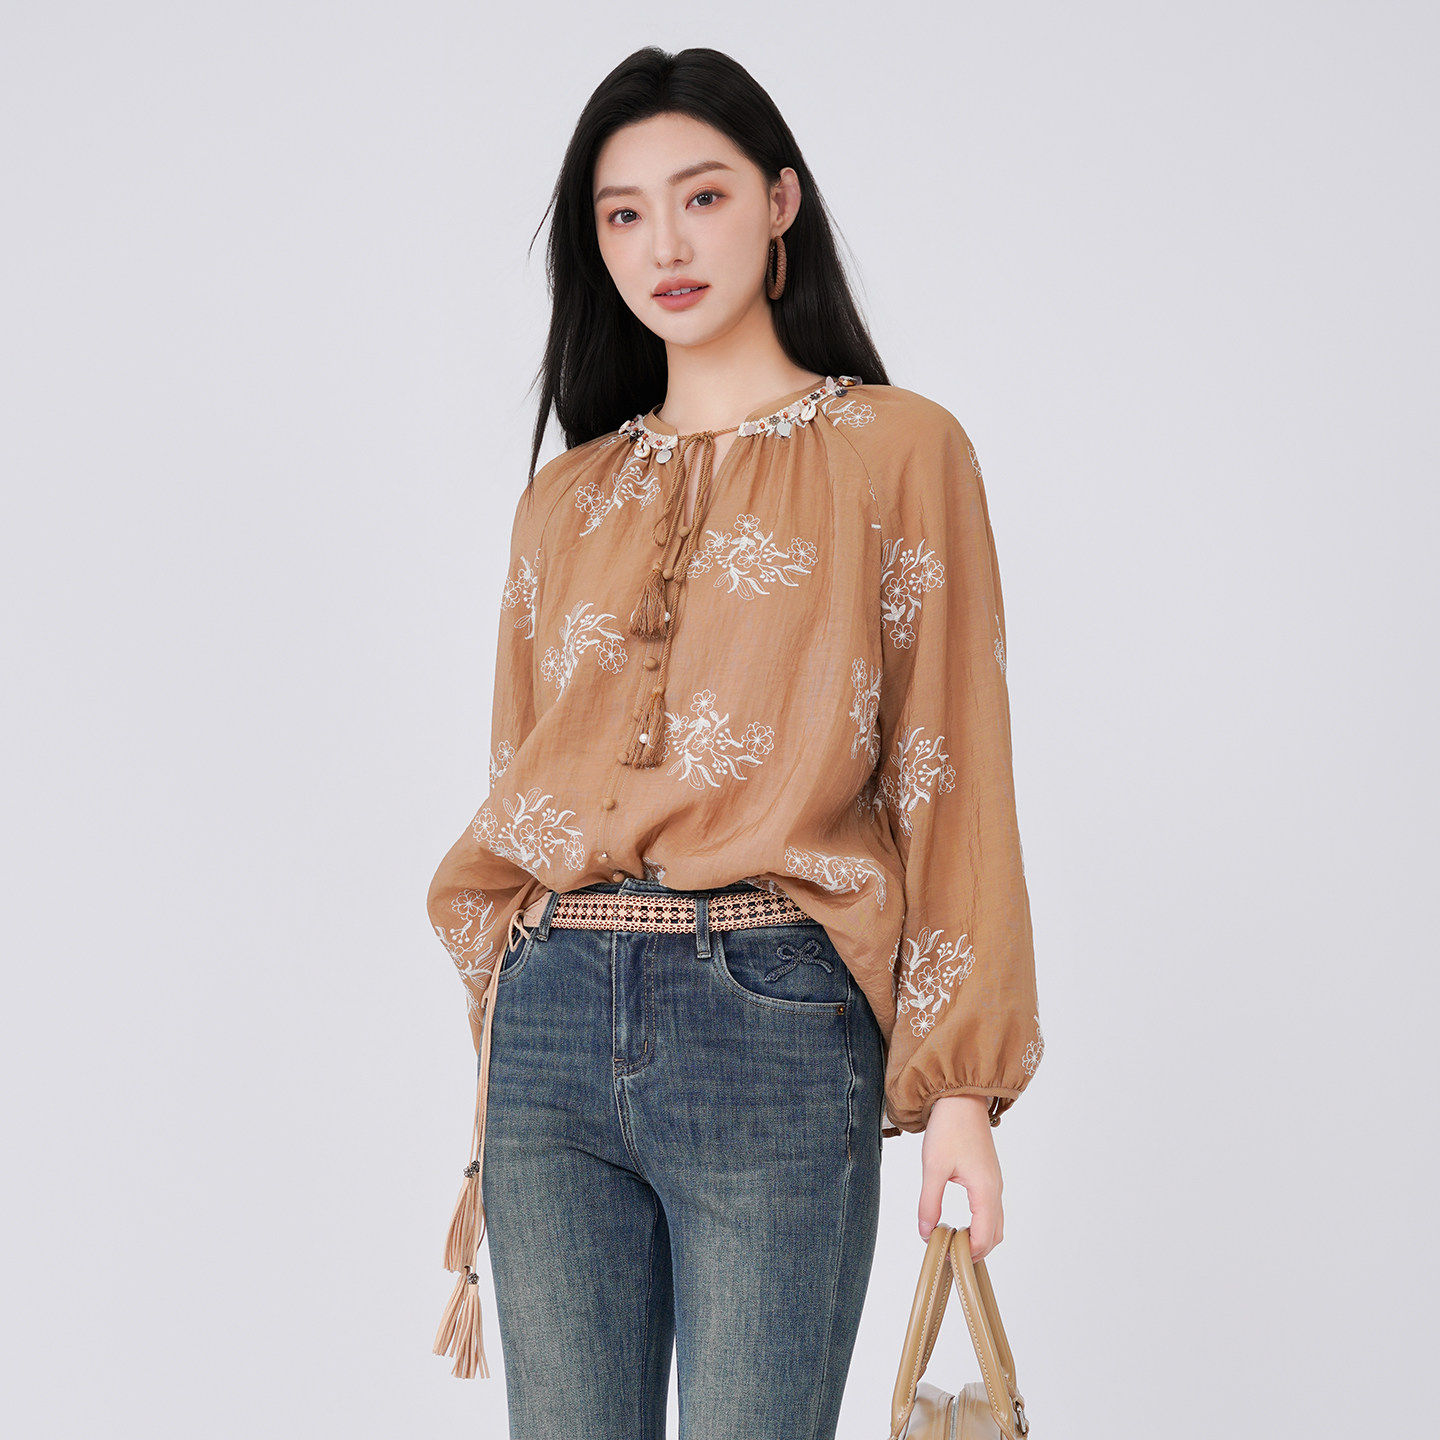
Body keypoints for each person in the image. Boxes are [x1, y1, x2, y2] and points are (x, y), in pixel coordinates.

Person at [424, 44, 1044, 1438]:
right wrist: (495, 1064)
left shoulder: (899, 451)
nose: (665, 244)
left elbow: (950, 766)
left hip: (770, 1018)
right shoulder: (565, 502)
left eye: (701, 196)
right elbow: (518, 787)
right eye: (623, 213)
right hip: (550, 1024)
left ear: (780, 203)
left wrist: (960, 1089)